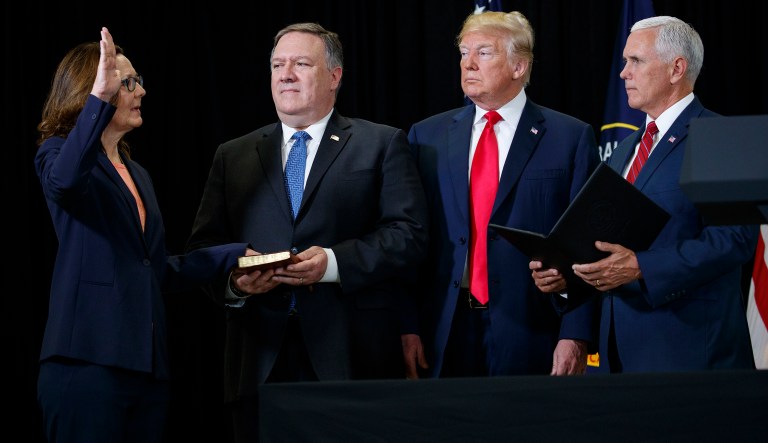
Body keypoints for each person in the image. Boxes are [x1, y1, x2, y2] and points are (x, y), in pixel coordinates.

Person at [184, 22, 429, 441]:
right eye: (278, 65)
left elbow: (409, 235)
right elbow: (204, 248)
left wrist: (334, 263)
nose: (285, 75)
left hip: (351, 360)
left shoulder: (381, 143)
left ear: (334, 76)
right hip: (258, 362)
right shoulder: (234, 154)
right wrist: (237, 283)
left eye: (300, 64)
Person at [34, 28, 249, 442]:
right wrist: (99, 98)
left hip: (146, 371)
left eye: (137, 81)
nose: (141, 91)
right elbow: (63, 184)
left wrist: (237, 256)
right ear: (92, 89)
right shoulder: (57, 153)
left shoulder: (140, 176)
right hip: (86, 367)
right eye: (128, 83)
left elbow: (155, 269)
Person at [407, 10, 600, 379]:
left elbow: (585, 242)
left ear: (518, 66)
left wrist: (575, 333)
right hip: (444, 329)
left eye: (483, 52)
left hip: (533, 329)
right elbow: (411, 239)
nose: (468, 64)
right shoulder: (425, 136)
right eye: (464, 53)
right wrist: (407, 325)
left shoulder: (569, 138)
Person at [565, 16, 758, 372]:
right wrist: (565, 272)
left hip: (689, 354)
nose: (623, 73)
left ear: (676, 68)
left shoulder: (719, 137)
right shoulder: (624, 150)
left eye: (635, 61)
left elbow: (734, 240)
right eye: (624, 62)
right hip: (616, 355)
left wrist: (642, 267)